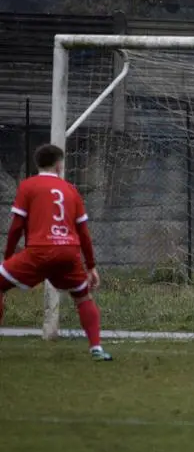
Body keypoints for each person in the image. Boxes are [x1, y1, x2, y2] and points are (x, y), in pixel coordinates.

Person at [1, 144, 112, 361]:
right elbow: (84, 233)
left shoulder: (28, 186)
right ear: (59, 165)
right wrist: (91, 266)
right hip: (68, 254)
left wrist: (8, 258)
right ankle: (96, 348)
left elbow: (16, 226)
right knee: (82, 297)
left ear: (37, 164)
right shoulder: (71, 190)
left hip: (39, 251)